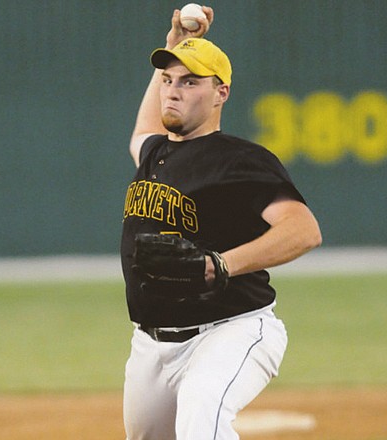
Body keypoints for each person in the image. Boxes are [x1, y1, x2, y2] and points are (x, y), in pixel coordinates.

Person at [119, 6, 322, 440]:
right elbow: (142, 130)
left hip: (231, 329)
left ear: (221, 93)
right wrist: (173, 48)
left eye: (190, 82)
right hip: (150, 345)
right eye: (169, 81)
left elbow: (303, 230)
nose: (173, 91)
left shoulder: (239, 159)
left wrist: (218, 264)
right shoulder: (155, 153)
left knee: (202, 420)